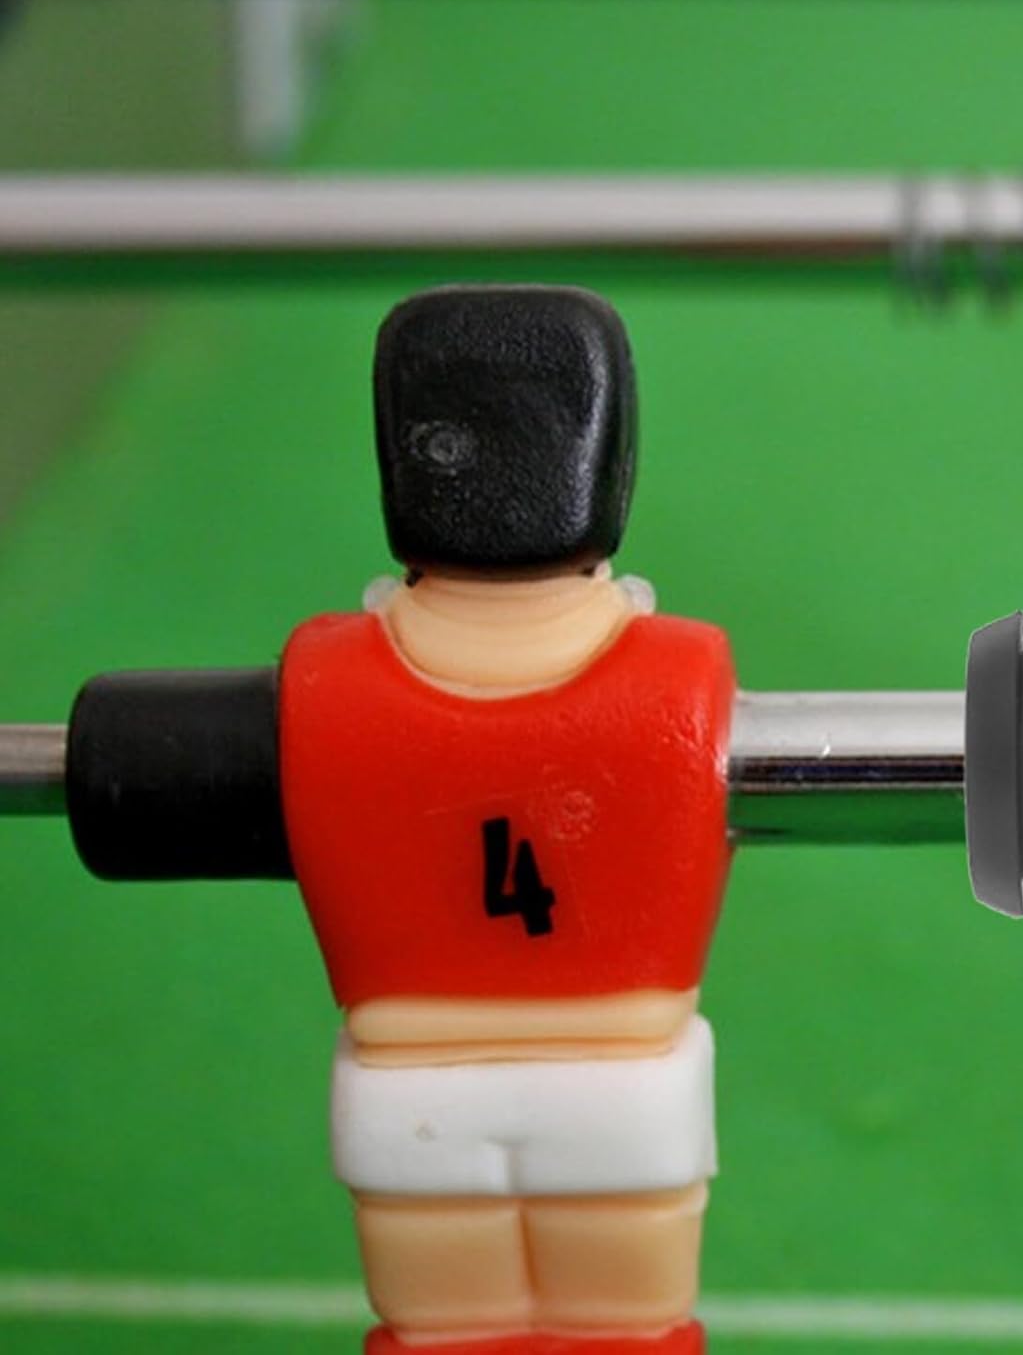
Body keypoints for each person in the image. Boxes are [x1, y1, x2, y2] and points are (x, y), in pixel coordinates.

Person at [278, 285, 736, 1353]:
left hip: (415, 1096)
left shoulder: (321, 681)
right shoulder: (685, 676)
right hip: (616, 1089)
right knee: (619, 1321)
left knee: (450, 1321)